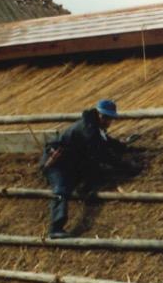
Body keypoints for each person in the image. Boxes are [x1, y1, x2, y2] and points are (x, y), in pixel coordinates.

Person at [40, 99, 139, 238]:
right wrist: (126, 167)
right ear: (98, 115)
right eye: (105, 117)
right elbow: (102, 153)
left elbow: (106, 141)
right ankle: (55, 228)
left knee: (94, 171)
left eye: (110, 118)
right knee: (61, 190)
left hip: (72, 163)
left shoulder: (94, 128)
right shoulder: (88, 129)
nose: (108, 121)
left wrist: (122, 146)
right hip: (57, 163)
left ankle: (85, 188)